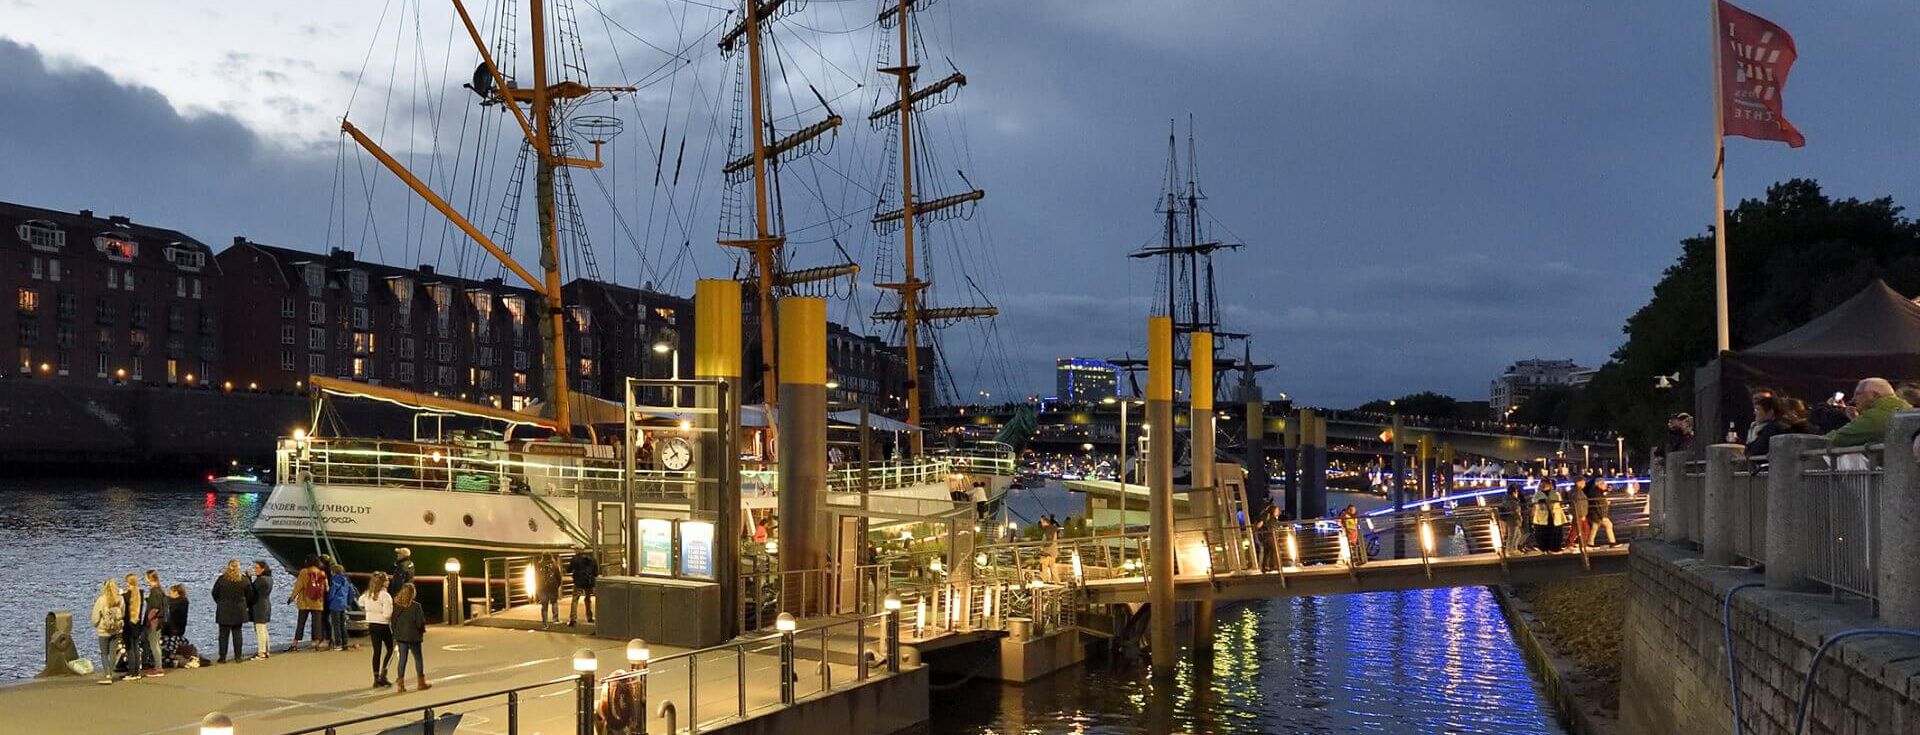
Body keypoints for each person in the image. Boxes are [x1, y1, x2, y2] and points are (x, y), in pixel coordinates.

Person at [1826, 378, 1911, 447]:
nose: (1854, 398)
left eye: (1858, 394)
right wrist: (1856, 419)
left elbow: (1839, 438)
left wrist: (1815, 441)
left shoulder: (1875, 416)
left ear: (1874, 395)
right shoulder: (1906, 408)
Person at [390, 582, 430, 692]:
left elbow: (393, 621)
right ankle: (421, 683)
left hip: (401, 636)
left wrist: (396, 633)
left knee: (402, 659)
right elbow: (420, 622)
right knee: (418, 659)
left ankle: (401, 684)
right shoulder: (416, 606)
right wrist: (422, 631)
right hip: (413, 636)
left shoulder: (396, 605)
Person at [1745, 395, 1813, 459]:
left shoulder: (1774, 428)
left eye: (1758, 410)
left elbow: (1756, 451)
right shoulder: (1807, 429)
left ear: (1771, 412)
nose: (1754, 413)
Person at [360, 571, 395, 688]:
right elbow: (387, 614)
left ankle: (376, 678)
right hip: (383, 624)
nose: (388, 582)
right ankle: (384, 674)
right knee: (390, 648)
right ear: (383, 583)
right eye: (387, 580)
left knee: (377, 651)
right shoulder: (385, 596)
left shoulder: (367, 594)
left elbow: (360, 602)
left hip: (371, 623)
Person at [211, 560, 249, 664]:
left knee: (223, 635)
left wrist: (220, 602)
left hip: (224, 610)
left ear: (228, 567)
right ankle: (238, 657)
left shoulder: (221, 580)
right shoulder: (244, 580)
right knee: (237, 633)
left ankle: (222, 657)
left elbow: (214, 593)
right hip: (239, 610)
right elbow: (249, 594)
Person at [91, 578, 126, 685]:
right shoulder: (120, 599)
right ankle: (111, 673)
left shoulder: (101, 600)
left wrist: (96, 624)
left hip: (104, 630)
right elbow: (123, 614)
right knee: (113, 653)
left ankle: (107, 674)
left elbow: (95, 617)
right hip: (116, 630)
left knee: (104, 653)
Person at [290, 556, 328, 652]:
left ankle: (295, 644)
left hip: (304, 601)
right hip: (317, 602)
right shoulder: (322, 573)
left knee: (301, 623)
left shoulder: (303, 572)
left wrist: (292, 597)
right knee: (317, 623)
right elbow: (326, 588)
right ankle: (317, 644)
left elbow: (298, 586)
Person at [140, 570, 169, 677]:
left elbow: (155, 609)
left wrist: (148, 619)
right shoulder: (159, 591)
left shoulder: (155, 592)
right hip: (158, 622)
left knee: (154, 644)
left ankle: (158, 667)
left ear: (149, 578)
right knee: (155, 643)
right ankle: (158, 666)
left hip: (154, 622)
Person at [120, 573, 147, 678]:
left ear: (127, 583)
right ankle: (137, 671)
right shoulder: (140, 593)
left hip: (128, 625)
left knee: (130, 648)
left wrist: (121, 594)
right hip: (137, 624)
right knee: (136, 647)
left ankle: (131, 672)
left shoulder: (125, 596)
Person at [248, 560, 274, 660]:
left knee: (260, 629)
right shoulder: (269, 579)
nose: (255, 570)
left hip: (259, 606)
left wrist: (248, 578)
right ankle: (266, 650)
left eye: (257, 568)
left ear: (263, 569)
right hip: (266, 604)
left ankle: (261, 652)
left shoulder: (261, 580)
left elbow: (251, 590)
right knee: (263, 628)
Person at [163, 583, 193, 667]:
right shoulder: (183, 601)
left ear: (176, 592)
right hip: (176, 628)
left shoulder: (181, 602)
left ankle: (173, 659)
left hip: (175, 629)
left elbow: (171, 602)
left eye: (171, 592)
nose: (169, 594)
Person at [326, 563, 354, 651]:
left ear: (333, 572)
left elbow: (332, 591)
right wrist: (348, 602)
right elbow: (352, 592)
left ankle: (338, 643)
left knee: (336, 625)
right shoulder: (346, 580)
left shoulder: (335, 580)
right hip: (343, 604)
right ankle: (345, 643)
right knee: (342, 624)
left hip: (335, 604)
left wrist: (329, 600)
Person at [568, 551, 598, 627]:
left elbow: (569, 570)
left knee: (575, 600)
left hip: (578, 582)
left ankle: (573, 619)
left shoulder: (575, 558)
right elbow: (596, 573)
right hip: (589, 582)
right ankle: (589, 617)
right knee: (588, 599)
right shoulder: (593, 559)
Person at [1585, 476, 1616, 547]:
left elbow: (1599, 503)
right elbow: (1599, 505)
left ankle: (1590, 542)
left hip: (1595, 514)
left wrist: (1605, 503)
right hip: (1598, 514)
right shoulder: (1597, 493)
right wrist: (1603, 516)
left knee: (1595, 527)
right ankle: (1612, 543)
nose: (1605, 485)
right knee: (1608, 525)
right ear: (1599, 484)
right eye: (1604, 484)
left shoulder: (1596, 492)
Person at [537, 554, 563, 629]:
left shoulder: (539, 565)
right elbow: (558, 576)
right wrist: (557, 585)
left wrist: (538, 588)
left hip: (542, 587)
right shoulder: (554, 565)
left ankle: (545, 623)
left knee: (544, 606)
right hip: (552, 586)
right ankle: (555, 618)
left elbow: (537, 577)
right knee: (554, 602)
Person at [1570, 476, 1591, 549]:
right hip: (1580, 514)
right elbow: (1579, 504)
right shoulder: (1578, 492)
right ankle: (1580, 544)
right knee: (1582, 529)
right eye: (1583, 482)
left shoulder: (1578, 491)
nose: (1584, 483)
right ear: (1578, 483)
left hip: (1579, 514)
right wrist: (1582, 514)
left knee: (1578, 529)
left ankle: (1576, 544)